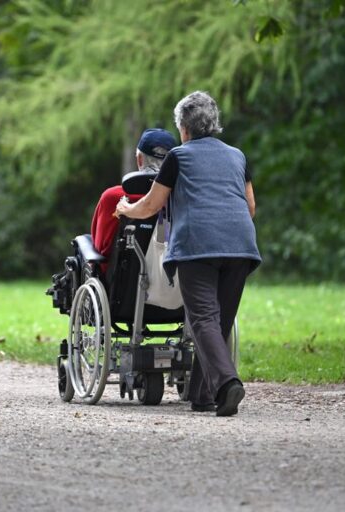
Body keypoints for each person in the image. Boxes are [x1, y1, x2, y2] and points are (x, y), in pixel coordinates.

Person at [115, 91, 261, 416]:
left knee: (203, 318)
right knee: (218, 320)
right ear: (215, 123)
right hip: (241, 245)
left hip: (198, 244)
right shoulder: (238, 156)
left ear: (183, 128)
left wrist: (126, 208)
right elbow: (250, 206)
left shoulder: (178, 157)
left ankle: (227, 383)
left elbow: (151, 205)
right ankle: (203, 395)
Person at [90, 128, 177, 263]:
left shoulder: (112, 197)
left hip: (119, 280)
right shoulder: (180, 198)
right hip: (169, 277)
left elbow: (101, 248)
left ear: (140, 159)